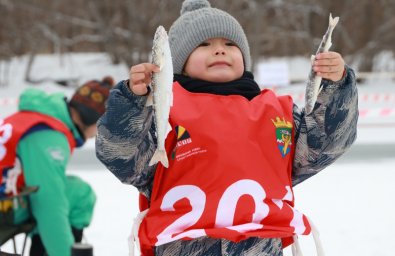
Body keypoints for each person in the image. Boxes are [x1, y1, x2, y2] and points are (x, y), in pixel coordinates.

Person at [95, 0, 358, 255]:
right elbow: (123, 159)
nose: (220, 50)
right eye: (204, 44)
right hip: (184, 246)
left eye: (230, 44)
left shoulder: (276, 112)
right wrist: (131, 102)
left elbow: (323, 146)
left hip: (261, 246)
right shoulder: (164, 112)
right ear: (179, 62)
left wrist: (337, 86)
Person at [0, 76, 114, 256]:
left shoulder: (31, 118)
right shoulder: (49, 136)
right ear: (94, 117)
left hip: (6, 198)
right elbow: (49, 203)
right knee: (78, 195)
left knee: (72, 189)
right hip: (4, 208)